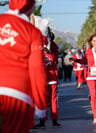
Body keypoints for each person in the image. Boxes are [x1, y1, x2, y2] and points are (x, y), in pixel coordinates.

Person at [0, 0, 48, 132]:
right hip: (16, 92)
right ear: (31, 7)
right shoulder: (32, 32)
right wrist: (41, 105)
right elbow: (37, 70)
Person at [34, 36, 61, 128]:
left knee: (42, 101)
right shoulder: (51, 54)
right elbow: (55, 68)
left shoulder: (36, 54)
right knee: (53, 101)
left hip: (42, 81)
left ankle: (42, 122)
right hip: (52, 80)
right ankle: (54, 121)